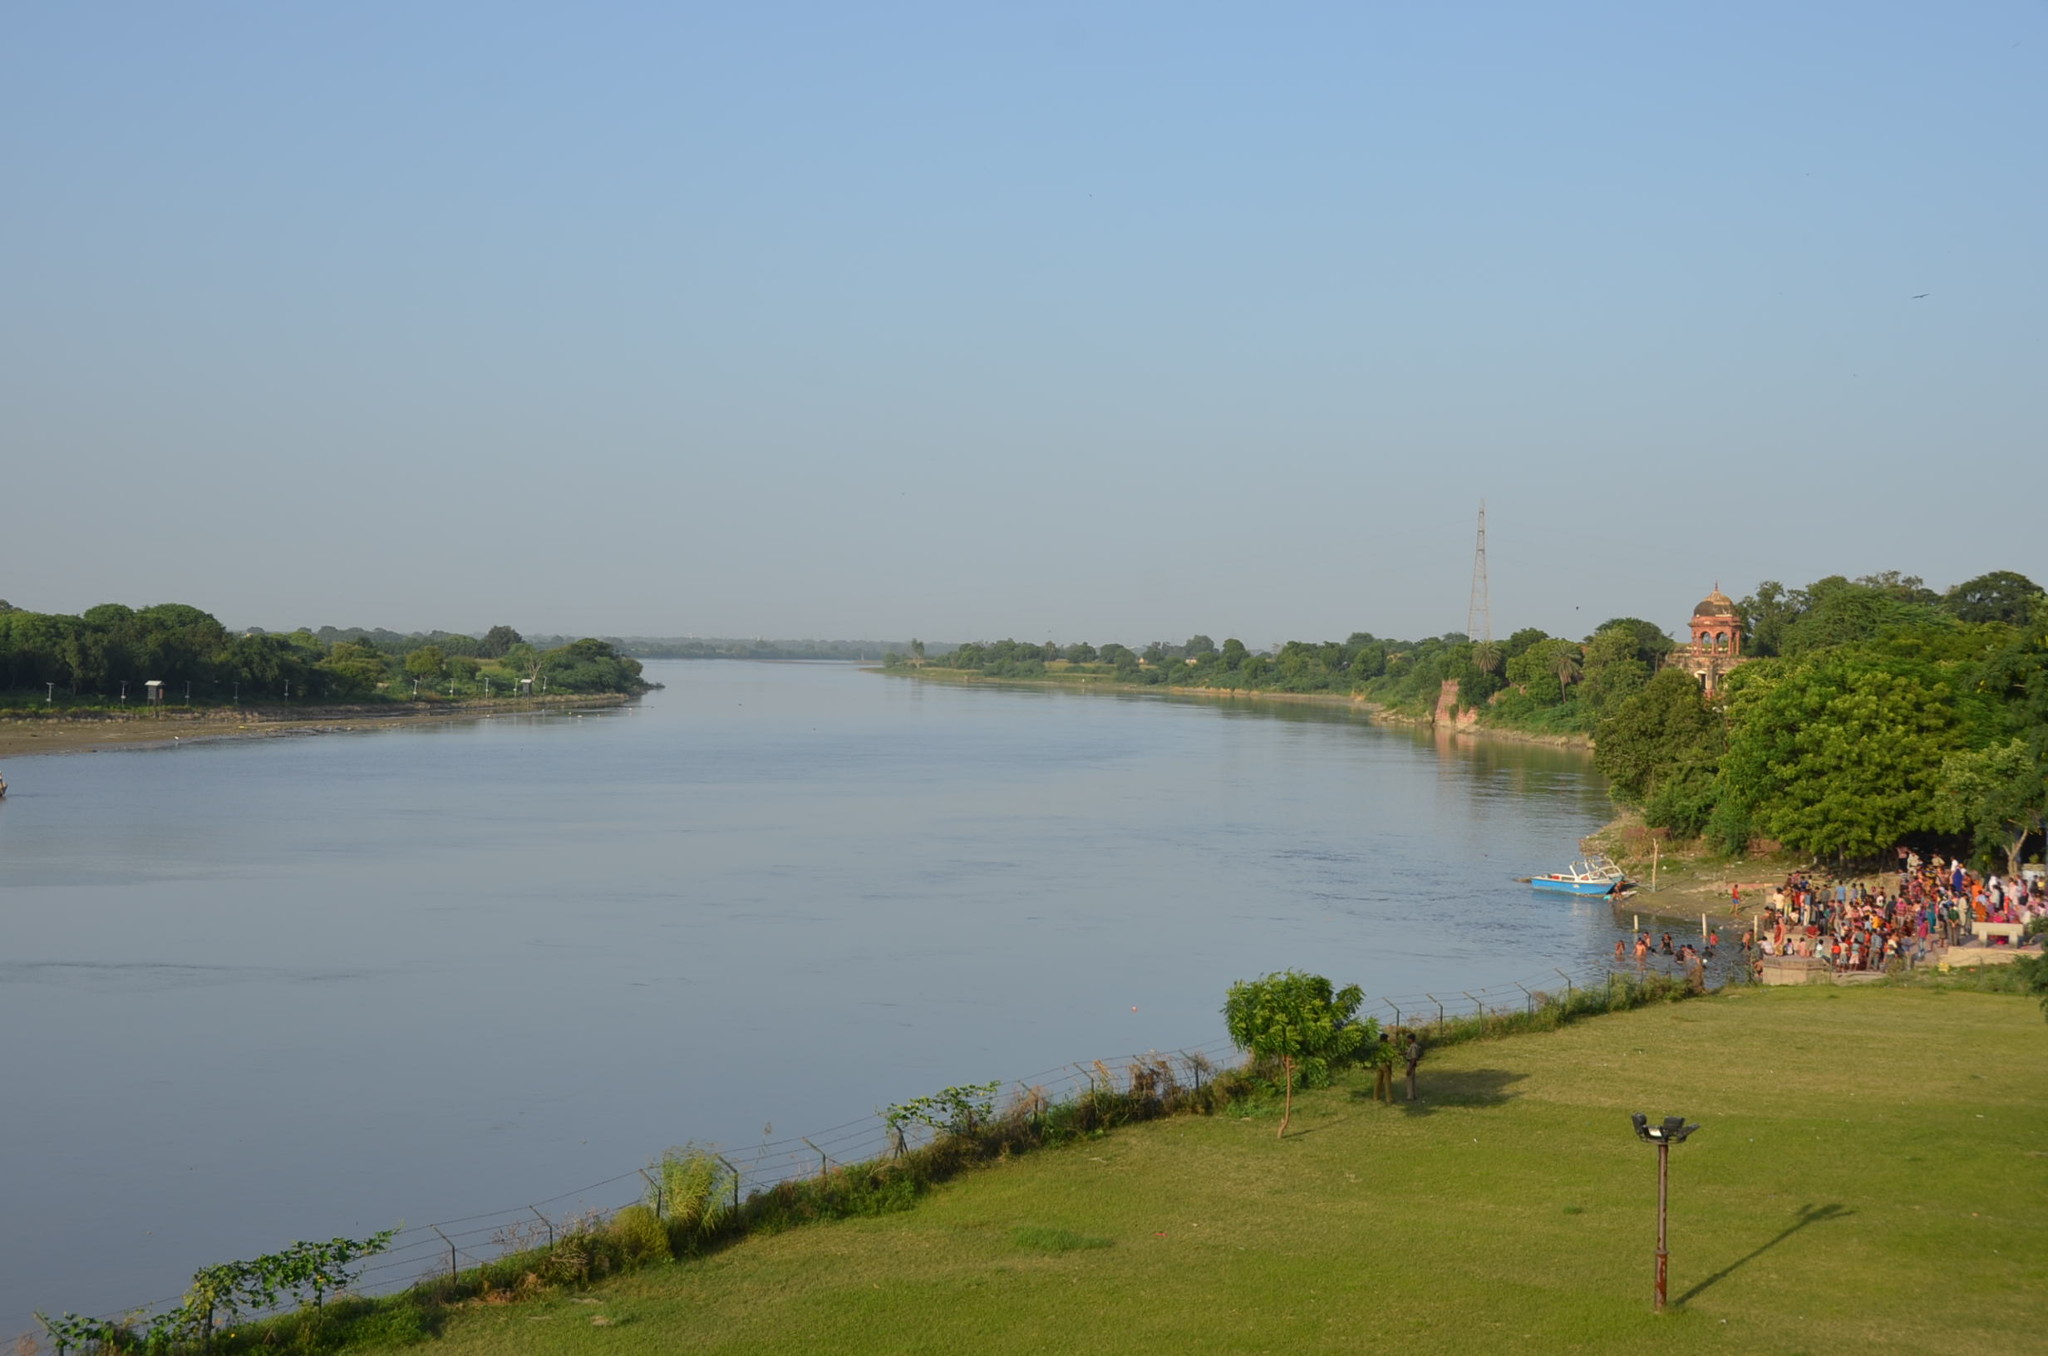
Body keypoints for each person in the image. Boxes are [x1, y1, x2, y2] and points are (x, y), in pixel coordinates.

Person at [1373, 1032, 1394, 1104]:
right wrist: (1390, 1067)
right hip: (1385, 1064)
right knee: (1387, 1082)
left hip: (1378, 1064)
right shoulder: (1387, 1046)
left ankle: (1376, 1096)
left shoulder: (1377, 1046)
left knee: (1378, 1081)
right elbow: (1389, 1056)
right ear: (1385, 1039)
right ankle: (1389, 1099)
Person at [1403, 1033, 1424, 1102]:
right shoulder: (1413, 1046)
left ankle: (1410, 1096)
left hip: (1411, 1063)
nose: (1407, 1040)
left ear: (1411, 1039)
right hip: (1411, 1063)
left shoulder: (1413, 1047)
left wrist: (1409, 1068)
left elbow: (1413, 1058)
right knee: (1412, 1079)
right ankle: (1414, 1095)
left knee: (1409, 1080)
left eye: (1408, 1039)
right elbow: (1408, 1052)